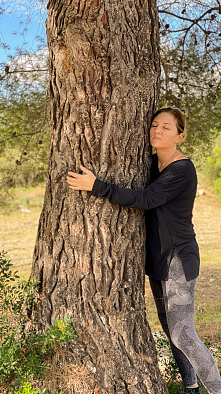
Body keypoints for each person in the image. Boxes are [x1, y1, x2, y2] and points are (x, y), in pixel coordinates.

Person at [66, 107, 221, 394]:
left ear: (180, 136)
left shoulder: (182, 169)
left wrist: (96, 186)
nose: (157, 130)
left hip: (179, 259)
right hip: (157, 260)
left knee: (184, 334)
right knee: (170, 330)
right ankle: (191, 388)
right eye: (154, 125)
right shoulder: (149, 164)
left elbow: (146, 199)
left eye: (166, 127)